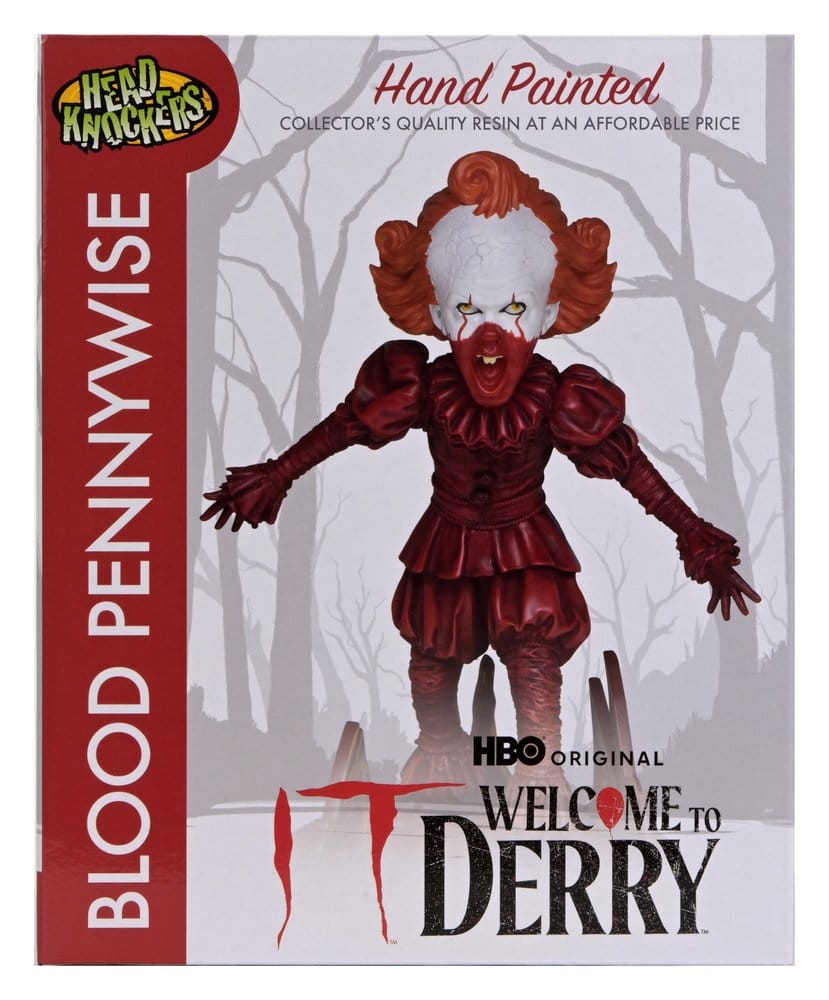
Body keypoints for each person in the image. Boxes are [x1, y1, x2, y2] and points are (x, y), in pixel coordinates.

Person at [202, 150, 759, 787]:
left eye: (514, 310)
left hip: (525, 545)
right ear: (439, 315)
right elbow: (346, 426)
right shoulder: (420, 386)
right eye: (469, 310)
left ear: (548, 314)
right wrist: (278, 474)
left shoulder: (557, 398)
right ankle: (441, 751)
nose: (491, 335)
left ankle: (539, 771)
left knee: (533, 659)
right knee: (430, 663)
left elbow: (631, 468)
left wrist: (694, 533)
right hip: (447, 540)